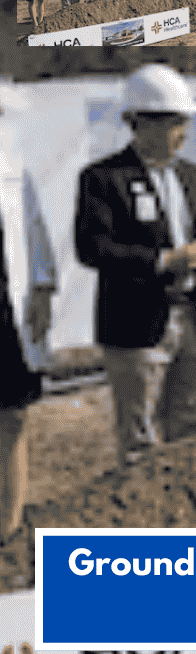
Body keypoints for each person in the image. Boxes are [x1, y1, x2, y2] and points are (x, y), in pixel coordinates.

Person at [74, 65, 196, 469]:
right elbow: (93, 248)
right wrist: (166, 260)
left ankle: (188, 501)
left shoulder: (191, 175)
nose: (184, 133)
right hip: (135, 324)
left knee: (191, 430)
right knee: (140, 442)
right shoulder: (103, 178)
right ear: (139, 123)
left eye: (185, 121)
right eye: (175, 122)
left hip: (192, 316)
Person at [0, 86, 56, 544]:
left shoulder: (15, 174)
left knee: (13, 413)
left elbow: (36, 235)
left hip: (7, 311)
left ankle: (9, 522)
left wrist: (42, 291)